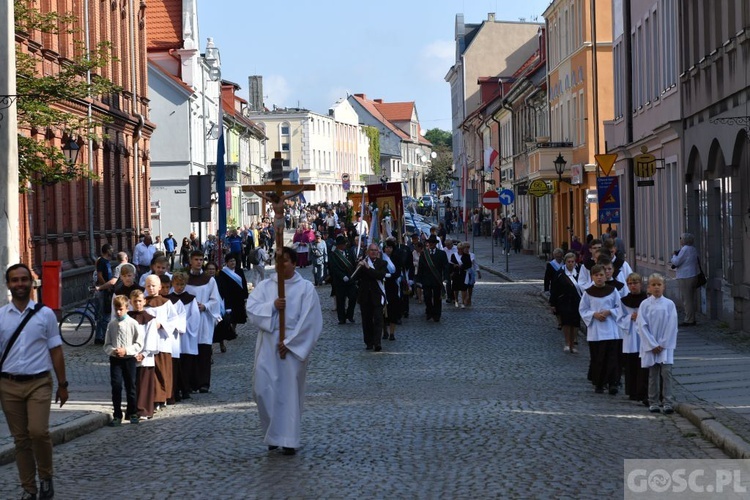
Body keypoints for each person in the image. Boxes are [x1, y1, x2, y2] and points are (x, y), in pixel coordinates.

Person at [0, 263, 68, 500]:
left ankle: (46, 476)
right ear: (8, 285)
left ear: (31, 283)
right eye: (14, 280)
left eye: (23, 279)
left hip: (39, 382)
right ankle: (28, 488)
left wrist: (63, 384)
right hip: (8, 384)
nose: (19, 284)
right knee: (20, 439)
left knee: (38, 432)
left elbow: (56, 350)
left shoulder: (45, 314)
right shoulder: (1, 317)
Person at [246, 247, 323, 455]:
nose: (282, 265)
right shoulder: (265, 286)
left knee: (288, 393)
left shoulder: (306, 288)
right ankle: (272, 433)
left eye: (287, 261)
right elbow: (252, 308)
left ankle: (288, 439)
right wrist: (272, 306)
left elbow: (311, 320)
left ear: (295, 263)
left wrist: (290, 342)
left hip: (292, 348)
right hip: (269, 341)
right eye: (279, 261)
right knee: (263, 390)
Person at [637, 273, 679, 414]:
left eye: (659, 285)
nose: (656, 288)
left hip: (665, 346)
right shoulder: (644, 305)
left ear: (663, 287)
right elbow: (641, 325)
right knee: (653, 373)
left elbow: (672, 325)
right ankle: (653, 401)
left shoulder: (669, 304)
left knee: (666, 373)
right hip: (651, 345)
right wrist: (651, 344)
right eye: (653, 285)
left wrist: (662, 343)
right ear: (648, 287)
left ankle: (667, 401)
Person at [578, 264, 623, 395]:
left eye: (601, 275)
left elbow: (620, 308)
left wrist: (610, 312)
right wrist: (594, 314)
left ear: (606, 276)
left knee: (612, 358)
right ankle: (599, 383)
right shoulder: (588, 293)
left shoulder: (613, 290)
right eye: (596, 275)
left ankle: (613, 383)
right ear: (592, 277)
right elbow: (583, 309)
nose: (599, 278)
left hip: (611, 330)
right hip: (596, 331)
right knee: (598, 358)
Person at [184, 251, 222, 393]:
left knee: (205, 352)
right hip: (189, 320)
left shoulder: (209, 280)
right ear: (190, 260)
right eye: (196, 259)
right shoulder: (185, 279)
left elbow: (215, 300)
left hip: (204, 319)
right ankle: (192, 383)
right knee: (190, 352)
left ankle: (204, 383)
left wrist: (204, 306)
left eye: (201, 259)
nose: (199, 262)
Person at [103, 295, 142, 426]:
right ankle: (117, 414)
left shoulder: (133, 323)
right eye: (116, 309)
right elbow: (106, 344)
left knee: (131, 386)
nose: (118, 312)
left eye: (121, 309)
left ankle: (133, 412)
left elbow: (138, 343)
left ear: (127, 308)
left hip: (129, 359)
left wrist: (127, 350)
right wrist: (113, 350)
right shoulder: (112, 324)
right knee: (116, 386)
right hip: (115, 360)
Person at [165, 271, 199, 401]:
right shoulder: (168, 299)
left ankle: (186, 388)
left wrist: (184, 327)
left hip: (186, 336)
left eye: (182, 284)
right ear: (172, 283)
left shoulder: (191, 299)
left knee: (186, 365)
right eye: (177, 284)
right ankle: (176, 389)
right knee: (176, 365)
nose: (180, 287)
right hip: (174, 336)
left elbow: (194, 317)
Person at [618, 273, 649, 405]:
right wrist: (630, 318)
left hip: (643, 336)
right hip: (630, 336)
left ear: (640, 284)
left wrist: (640, 318)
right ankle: (632, 391)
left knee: (643, 365)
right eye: (630, 283)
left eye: (635, 283)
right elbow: (619, 318)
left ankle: (643, 392)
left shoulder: (647, 300)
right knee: (631, 364)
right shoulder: (624, 300)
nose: (633, 286)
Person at [128, 290, 159, 420]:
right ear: (130, 302)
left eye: (140, 301)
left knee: (144, 384)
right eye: (135, 301)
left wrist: (144, 353)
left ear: (144, 301)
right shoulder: (127, 318)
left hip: (146, 357)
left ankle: (144, 410)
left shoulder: (150, 319)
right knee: (132, 384)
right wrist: (131, 352)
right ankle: (132, 410)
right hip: (130, 356)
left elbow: (151, 337)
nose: (138, 304)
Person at [354, 243, 388, 351]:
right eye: (372, 250)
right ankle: (369, 342)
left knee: (378, 320)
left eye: (376, 250)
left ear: (378, 252)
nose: (374, 252)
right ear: (368, 251)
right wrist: (358, 266)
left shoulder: (382, 263)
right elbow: (355, 277)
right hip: (365, 296)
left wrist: (368, 268)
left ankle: (377, 342)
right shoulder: (363, 263)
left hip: (377, 296)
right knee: (366, 320)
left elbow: (379, 275)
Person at [214, 254, 249, 353]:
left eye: (234, 261)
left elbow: (244, 283)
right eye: (230, 261)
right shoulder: (223, 273)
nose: (232, 263)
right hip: (229, 296)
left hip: (238, 295)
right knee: (229, 315)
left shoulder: (239, 271)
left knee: (238, 313)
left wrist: (245, 294)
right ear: (227, 263)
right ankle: (230, 330)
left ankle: (234, 327)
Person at [549, 253, 582, 353]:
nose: (571, 264)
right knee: (566, 322)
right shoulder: (560, 273)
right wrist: (553, 303)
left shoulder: (580, 273)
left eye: (572, 262)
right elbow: (554, 289)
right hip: (564, 301)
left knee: (576, 323)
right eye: (569, 262)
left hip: (577, 301)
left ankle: (574, 343)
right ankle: (567, 343)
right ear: (565, 262)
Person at [670, 232, 700, 327]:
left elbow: (677, 262)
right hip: (693, 275)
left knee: (686, 299)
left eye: (681, 238)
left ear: (684, 240)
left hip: (685, 276)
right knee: (690, 298)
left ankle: (689, 319)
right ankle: (691, 318)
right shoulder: (693, 249)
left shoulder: (685, 249)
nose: (680, 240)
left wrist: (674, 255)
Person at [416, 235, 449, 322]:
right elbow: (420, 268)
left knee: (437, 297)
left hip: (437, 279)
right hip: (426, 279)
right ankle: (429, 311)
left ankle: (437, 314)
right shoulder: (424, 254)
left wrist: (446, 278)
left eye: (432, 242)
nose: (431, 244)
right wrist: (418, 280)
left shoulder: (442, 254)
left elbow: (446, 266)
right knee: (427, 296)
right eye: (429, 242)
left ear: (435, 244)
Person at [329, 235, 358, 325]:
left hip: (350, 279)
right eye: (343, 244)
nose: (345, 245)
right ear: (338, 245)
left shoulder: (348, 252)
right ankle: (341, 318)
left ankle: (350, 315)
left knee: (353, 297)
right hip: (339, 281)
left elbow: (352, 263)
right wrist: (342, 276)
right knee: (340, 300)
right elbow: (334, 267)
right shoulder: (333, 254)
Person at [381, 239, 403, 341]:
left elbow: (398, 272)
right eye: (386, 247)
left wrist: (390, 275)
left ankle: (392, 333)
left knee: (392, 310)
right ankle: (384, 331)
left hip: (392, 286)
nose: (388, 249)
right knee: (382, 310)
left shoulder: (396, 258)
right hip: (382, 286)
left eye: (390, 247)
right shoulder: (381, 259)